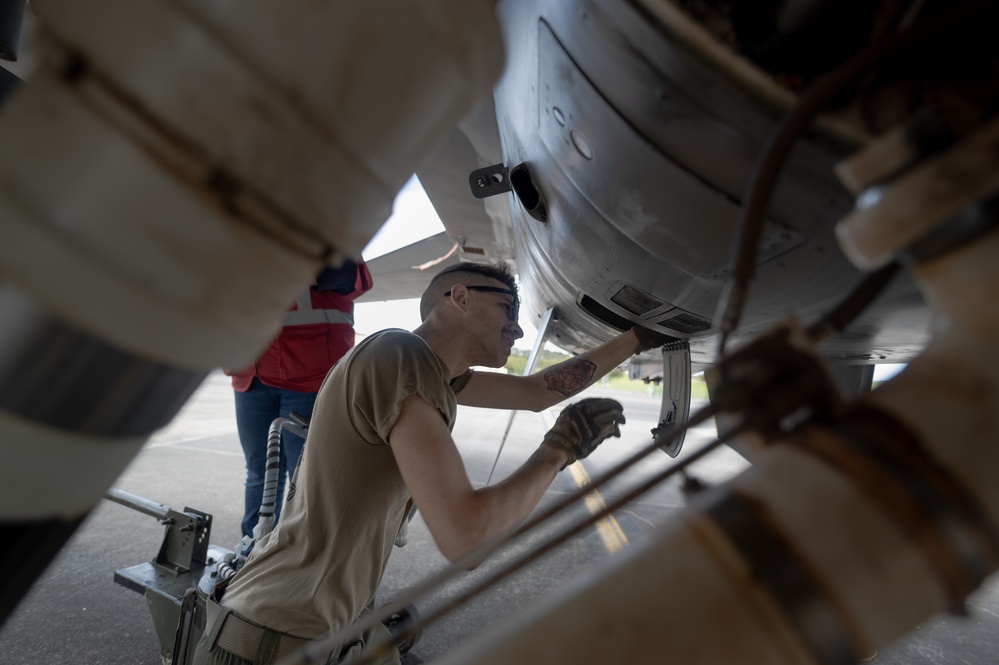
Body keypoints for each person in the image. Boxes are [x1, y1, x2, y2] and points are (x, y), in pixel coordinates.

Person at [195, 261, 668, 665]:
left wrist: (637, 338)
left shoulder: (430, 373)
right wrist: (558, 451)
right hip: (269, 642)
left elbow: (537, 392)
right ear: (460, 297)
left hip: (317, 635)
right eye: (508, 309)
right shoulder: (398, 354)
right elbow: (466, 537)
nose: (519, 328)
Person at [225, 259, 372, 540]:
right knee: (259, 473)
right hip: (251, 373)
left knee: (304, 480)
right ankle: (251, 551)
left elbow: (355, 278)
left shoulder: (323, 233)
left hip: (309, 377)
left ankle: (300, 558)